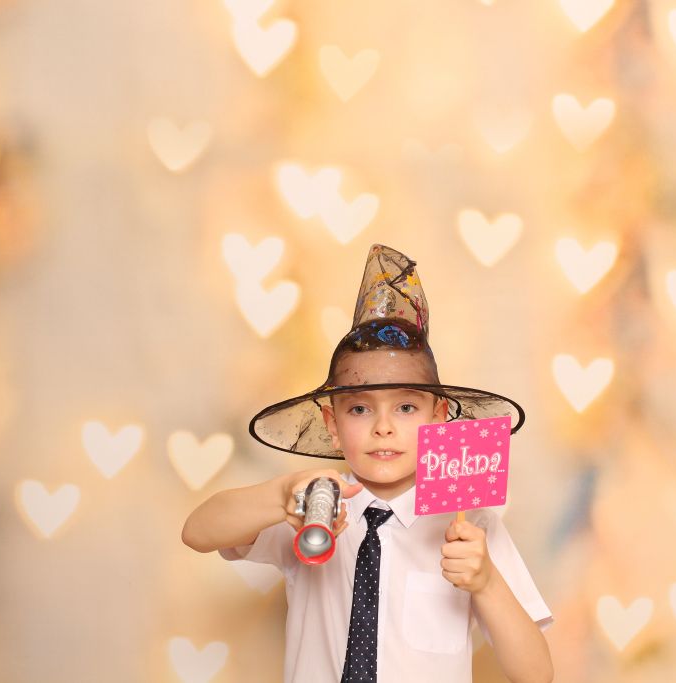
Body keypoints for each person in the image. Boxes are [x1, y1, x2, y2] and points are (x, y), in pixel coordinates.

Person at [182, 244, 554, 682]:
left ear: (438, 418)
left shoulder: (470, 523)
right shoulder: (312, 507)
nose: (383, 428)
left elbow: (537, 674)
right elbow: (198, 532)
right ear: (333, 424)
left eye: (406, 408)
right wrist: (281, 495)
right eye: (360, 409)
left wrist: (487, 582)